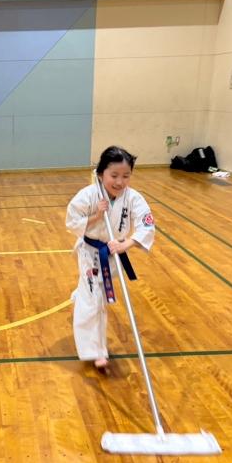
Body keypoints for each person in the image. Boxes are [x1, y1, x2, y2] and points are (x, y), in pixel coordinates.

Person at [66, 146, 155, 372]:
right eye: (114, 175)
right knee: (94, 300)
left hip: (115, 251)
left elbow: (146, 225)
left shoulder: (133, 198)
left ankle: (82, 293)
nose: (120, 182)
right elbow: (72, 221)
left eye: (126, 176)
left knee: (97, 295)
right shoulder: (88, 195)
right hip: (90, 252)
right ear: (100, 173)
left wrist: (127, 243)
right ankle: (96, 351)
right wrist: (97, 215)